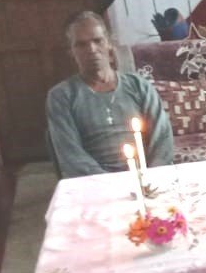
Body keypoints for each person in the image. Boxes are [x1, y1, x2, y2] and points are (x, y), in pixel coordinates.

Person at [46, 11, 174, 178]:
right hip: (94, 183)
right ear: (71, 51)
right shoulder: (62, 96)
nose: (92, 49)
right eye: (81, 44)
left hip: (147, 178)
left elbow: (162, 138)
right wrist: (109, 183)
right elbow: (70, 155)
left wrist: (151, 177)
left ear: (109, 43)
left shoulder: (138, 86)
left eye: (97, 41)